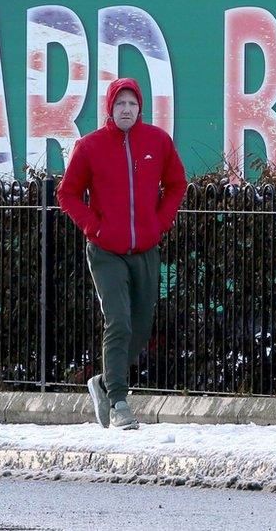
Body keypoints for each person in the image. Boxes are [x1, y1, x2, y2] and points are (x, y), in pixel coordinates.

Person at [56, 78, 187, 430]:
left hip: (145, 248)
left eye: (131, 104)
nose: (126, 110)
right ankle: (119, 401)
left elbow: (177, 184)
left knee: (141, 328)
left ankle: (102, 381)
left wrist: (159, 223)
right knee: (118, 321)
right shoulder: (90, 146)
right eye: (120, 104)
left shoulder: (157, 141)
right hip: (105, 251)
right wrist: (93, 227)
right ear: (110, 109)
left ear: (140, 107)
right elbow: (67, 194)